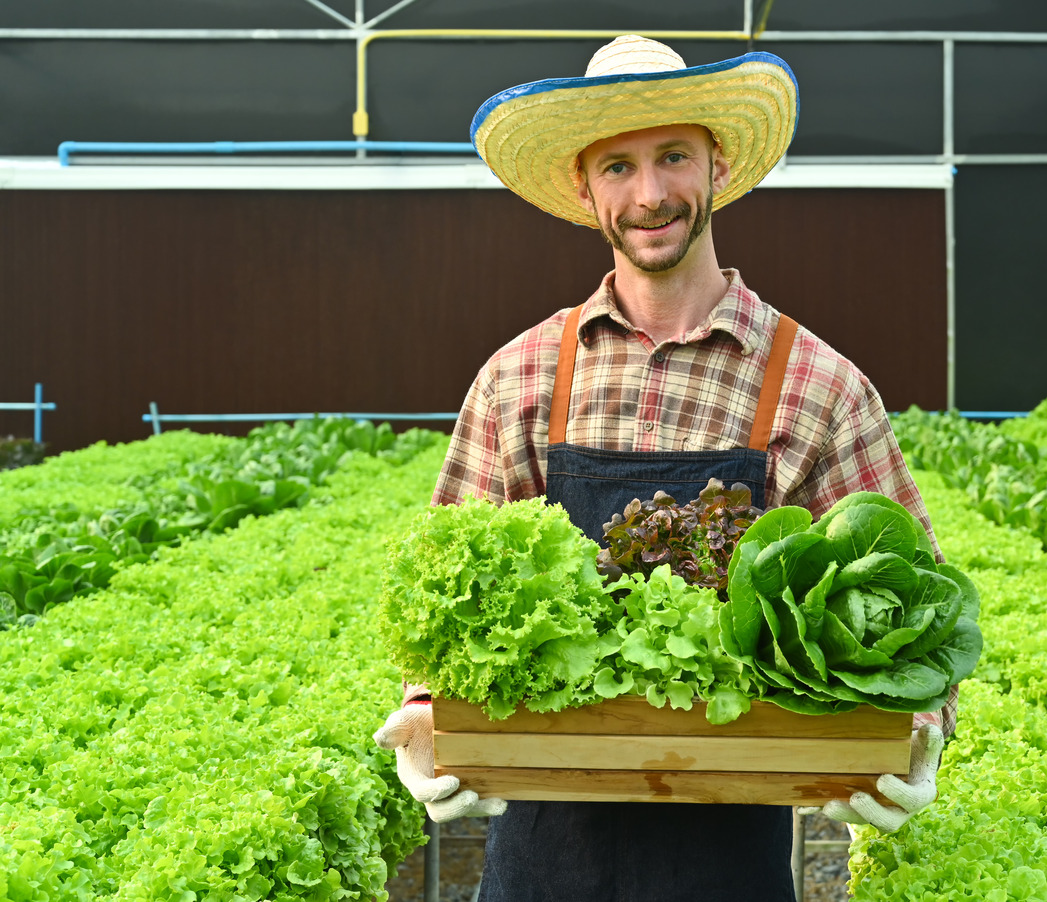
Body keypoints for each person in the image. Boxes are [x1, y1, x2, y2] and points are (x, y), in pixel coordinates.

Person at [373, 35, 955, 902]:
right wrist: (426, 712)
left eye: (673, 156)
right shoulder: (519, 378)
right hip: (544, 852)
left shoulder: (817, 385)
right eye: (618, 166)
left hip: (731, 858)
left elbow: (919, 603)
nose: (649, 195)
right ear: (584, 186)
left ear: (716, 163)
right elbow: (449, 608)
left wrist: (916, 731)